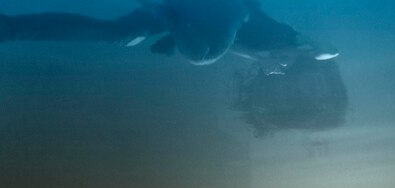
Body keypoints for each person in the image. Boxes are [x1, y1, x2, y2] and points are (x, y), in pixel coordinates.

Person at [0, 0, 338, 72]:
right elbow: (211, 48)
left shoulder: (266, 50)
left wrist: (173, 34)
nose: (277, 66)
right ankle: (10, 30)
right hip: (222, 8)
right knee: (203, 56)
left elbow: (231, 45)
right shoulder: (286, 38)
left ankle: (9, 29)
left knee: (120, 33)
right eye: (284, 62)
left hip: (199, 15)